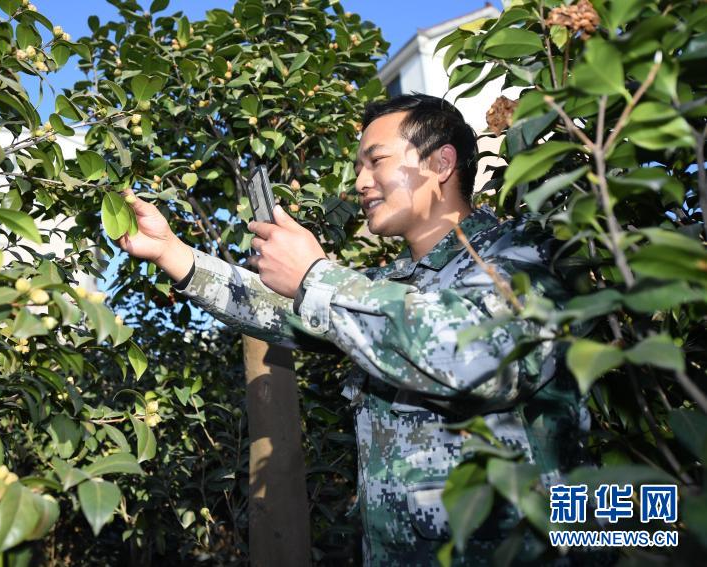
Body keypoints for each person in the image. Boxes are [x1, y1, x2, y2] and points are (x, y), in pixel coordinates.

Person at [116, 94, 587, 565]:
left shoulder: (523, 257)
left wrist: (315, 277)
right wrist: (171, 253)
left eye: (376, 161)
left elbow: (477, 356)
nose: (360, 182)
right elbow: (279, 311)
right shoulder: (389, 285)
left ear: (441, 163)